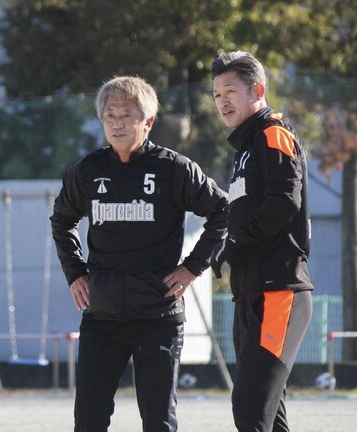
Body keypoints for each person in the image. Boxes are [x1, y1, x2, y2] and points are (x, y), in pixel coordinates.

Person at [50, 75, 229, 432]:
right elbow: (62, 221)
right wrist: (76, 273)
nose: (117, 123)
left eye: (127, 115)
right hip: (102, 316)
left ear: (148, 121)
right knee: (88, 419)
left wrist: (193, 267)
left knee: (158, 420)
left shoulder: (173, 168)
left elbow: (223, 210)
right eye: (110, 115)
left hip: (158, 315)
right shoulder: (88, 171)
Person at [209, 51, 314, 432]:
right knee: (267, 413)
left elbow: (285, 201)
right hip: (249, 292)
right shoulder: (244, 149)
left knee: (250, 407)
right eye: (217, 94)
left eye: (230, 91)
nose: (222, 101)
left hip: (278, 291)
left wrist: (234, 240)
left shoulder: (273, 134)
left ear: (257, 90)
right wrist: (224, 243)